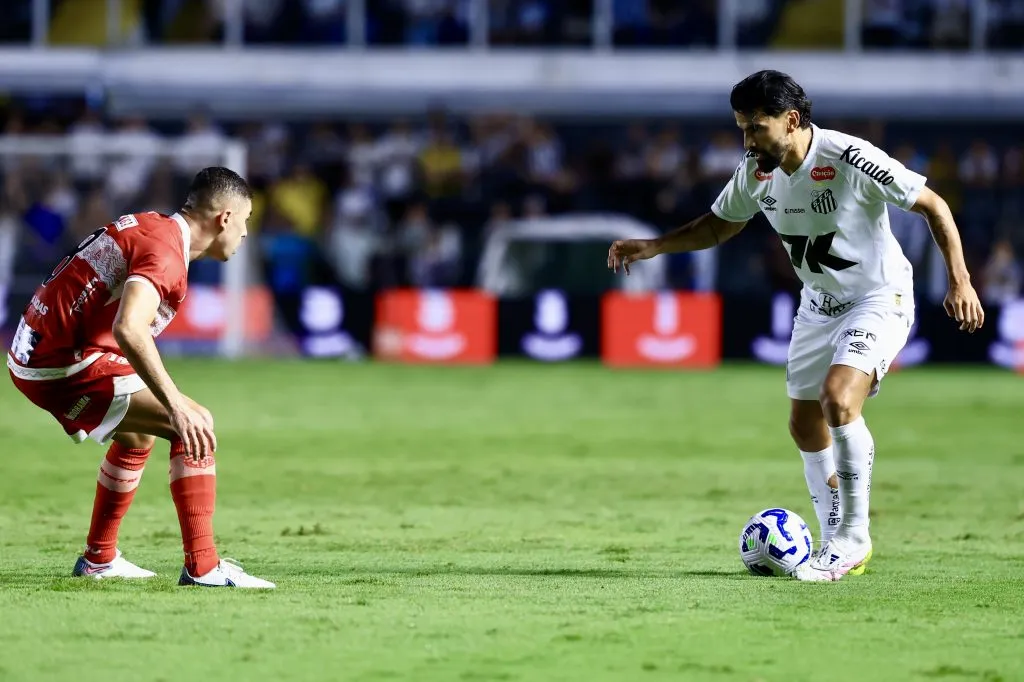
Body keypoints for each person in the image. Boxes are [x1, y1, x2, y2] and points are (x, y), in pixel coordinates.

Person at [607, 71, 984, 582]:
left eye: (755, 128)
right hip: (818, 305)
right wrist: (654, 246)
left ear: (791, 120)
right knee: (804, 424)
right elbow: (720, 224)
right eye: (742, 128)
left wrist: (960, 282)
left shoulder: (849, 157)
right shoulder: (756, 170)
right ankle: (832, 532)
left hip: (878, 297)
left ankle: (853, 538)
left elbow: (934, 205)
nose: (747, 140)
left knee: (838, 400)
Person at [7, 167, 275, 589]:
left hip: (42, 348)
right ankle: (203, 566)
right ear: (224, 218)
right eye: (246, 220)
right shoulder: (166, 252)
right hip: (61, 363)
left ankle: (99, 559)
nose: (245, 234)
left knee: (138, 436)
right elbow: (129, 328)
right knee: (192, 423)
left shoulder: (157, 228)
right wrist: (175, 404)